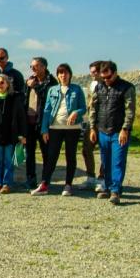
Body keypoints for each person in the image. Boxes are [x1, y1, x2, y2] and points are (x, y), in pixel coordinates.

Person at [32, 64, 86, 196]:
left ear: (70, 74)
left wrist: (76, 113)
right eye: (60, 73)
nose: (63, 75)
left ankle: (68, 185)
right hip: (54, 128)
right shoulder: (53, 90)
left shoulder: (77, 89)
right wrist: (44, 129)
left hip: (72, 129)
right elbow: (47, 110)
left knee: (70, 156)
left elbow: (83, 108)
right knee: (51, 156)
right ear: (57, 75)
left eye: (66, 73)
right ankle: (44, 184)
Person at [89, 61, 136, 205]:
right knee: (105, 161)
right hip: (102, 130)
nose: (106, 80)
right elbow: (93, 108)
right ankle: (109, 188)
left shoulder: (126, 87)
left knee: (118, 161)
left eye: (108, 77)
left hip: (118, 131)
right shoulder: (99, 87)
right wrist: (92, 127)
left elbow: (130, 110)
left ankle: (115, 190)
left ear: (115, 73)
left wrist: (125, 129)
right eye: (103, 77)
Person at [24, 57, 57, 189]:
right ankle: (30, 179)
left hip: (44, 124)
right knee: (29, 153)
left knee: (46, 153)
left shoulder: (52, 82)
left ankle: (45, 180)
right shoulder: (29, 81)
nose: (33, 69)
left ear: (44, 67)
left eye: (36, 66)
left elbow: (49, 100)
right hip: (29, 123)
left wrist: (36, 87)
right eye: (31, 66)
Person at [81, 61, 104, 191]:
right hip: (92, 121)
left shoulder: (109, 84)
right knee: (86, 148)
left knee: (104, 150)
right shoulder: (93, 84)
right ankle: (90, 177)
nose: (92, 75)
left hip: (105, 122)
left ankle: (102, 178)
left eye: (95, 72)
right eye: (91, 73)